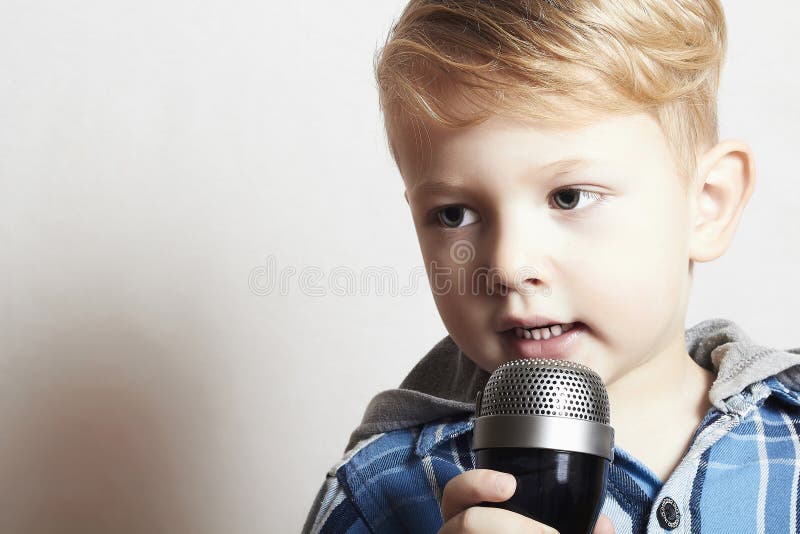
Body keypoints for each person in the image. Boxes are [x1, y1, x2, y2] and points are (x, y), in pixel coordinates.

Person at [302, 1, 800, 532]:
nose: (510, 267)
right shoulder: (376, 498)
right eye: (454, 214)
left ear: (708, 203)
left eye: (569, 197)